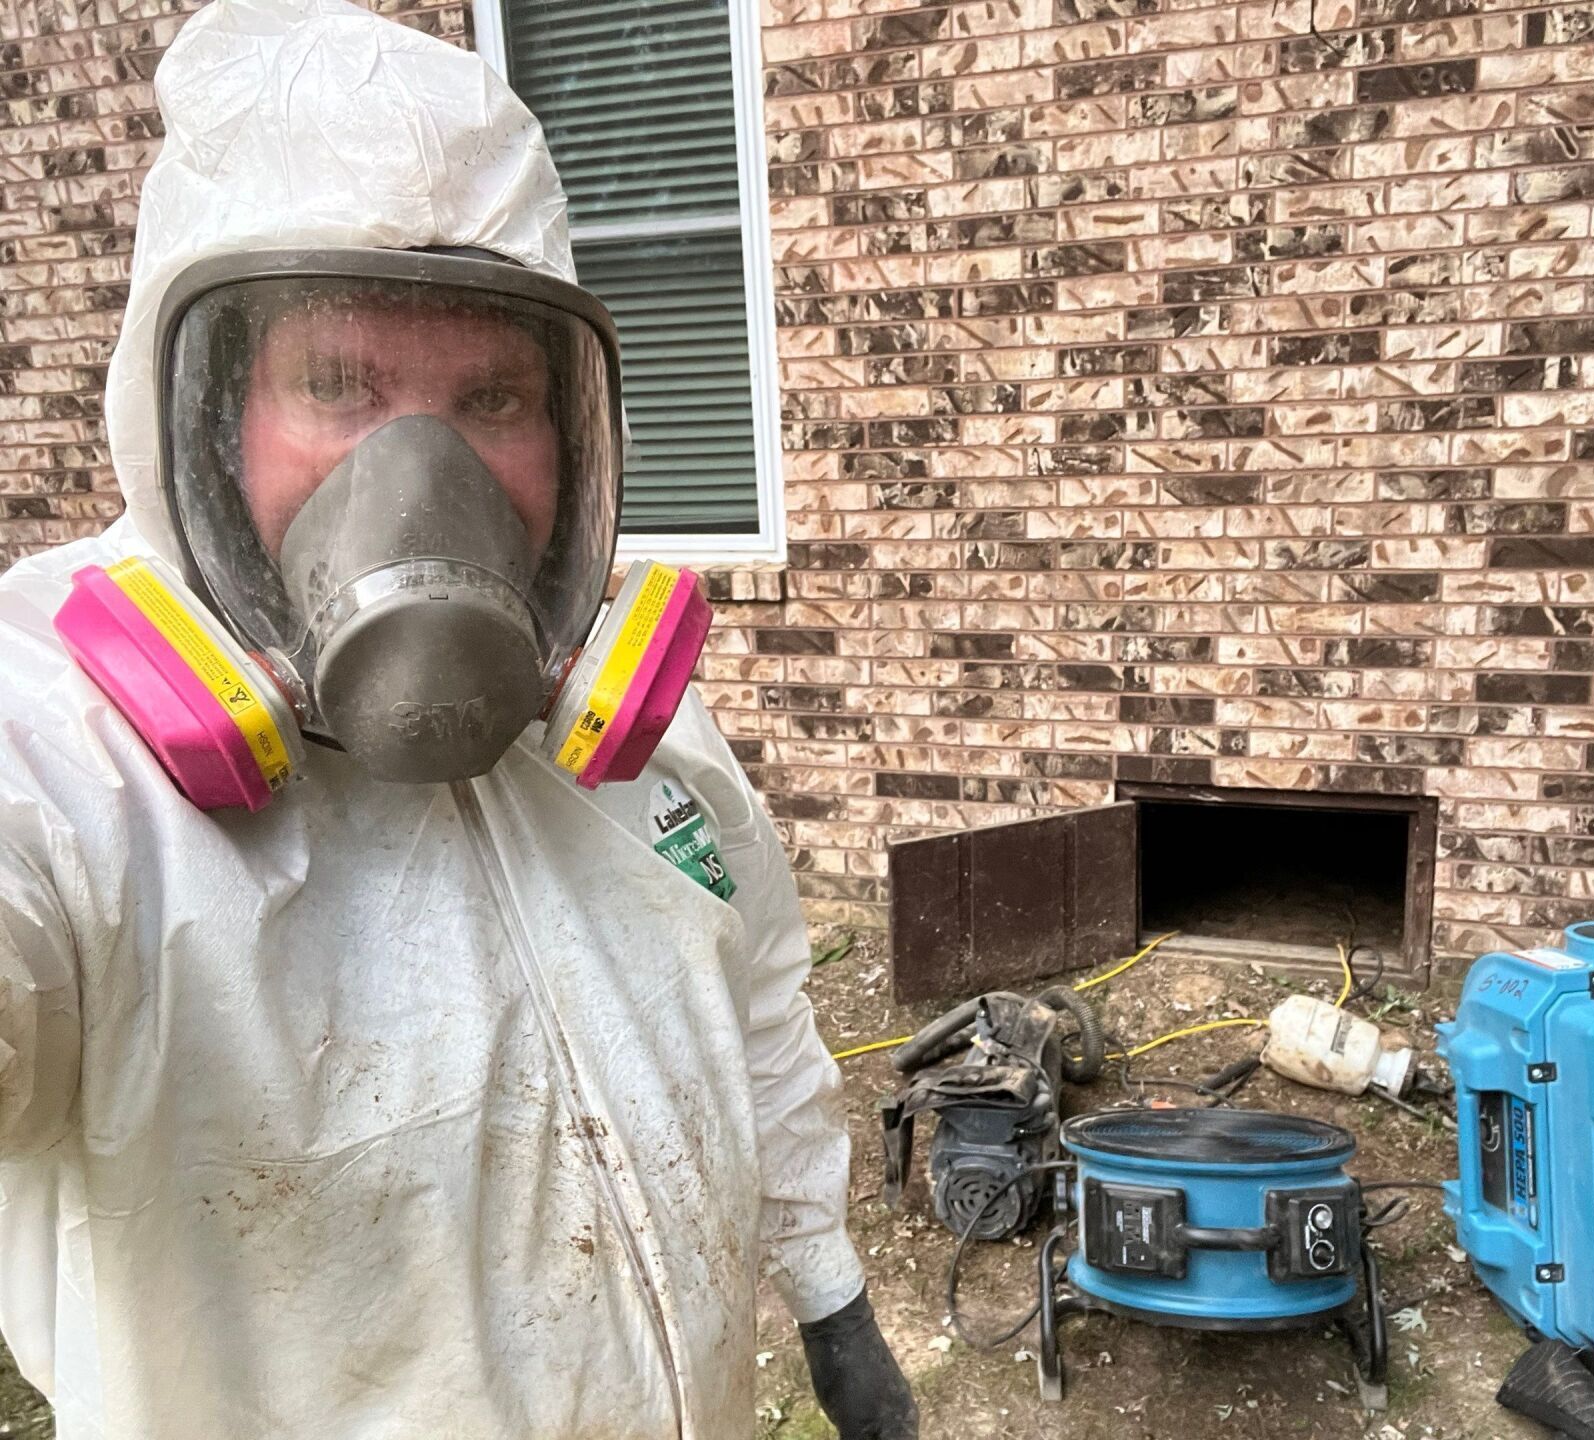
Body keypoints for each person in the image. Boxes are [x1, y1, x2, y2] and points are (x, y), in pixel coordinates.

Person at [0, 2, 917, 1437]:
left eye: (491, 396)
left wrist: (832, 1298)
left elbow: (759, 1011)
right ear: (210, 419)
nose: (420, 474)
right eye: (336, 383)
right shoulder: (66, 754)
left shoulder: (638, 735)